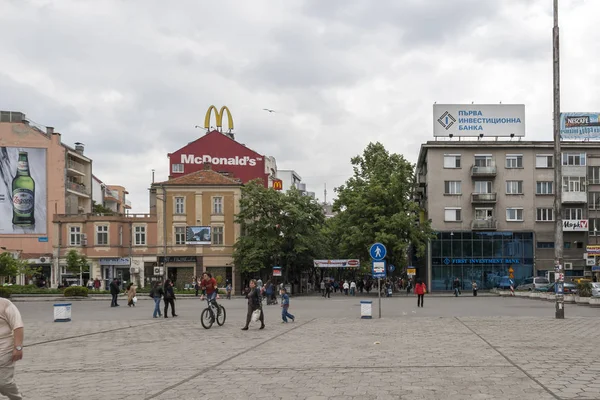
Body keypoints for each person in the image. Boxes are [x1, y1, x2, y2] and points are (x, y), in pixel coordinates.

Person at [0, 298, 24, 399]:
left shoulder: (5, 304)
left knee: (3, 382)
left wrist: (18, 347)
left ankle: (16, 398)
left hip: (4, 348)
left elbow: (18, 326)